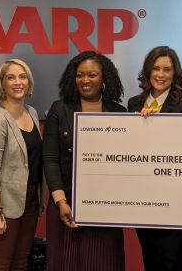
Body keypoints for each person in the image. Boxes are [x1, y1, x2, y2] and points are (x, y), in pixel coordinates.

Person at [43, 51, 126, 271]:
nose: (85, 80)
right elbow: (50, 159)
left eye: (92, 75)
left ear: (104, 78)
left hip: (107, 210)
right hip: (66, 206)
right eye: (80, 75)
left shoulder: (120, 113)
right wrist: (61, 202)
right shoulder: (59, 109)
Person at [128, 46, 182, 271]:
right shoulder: (134, 104)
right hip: (142, 197)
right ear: (148, 72)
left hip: (174, 198)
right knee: (150, 259)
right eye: (156, 68)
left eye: (167, 69)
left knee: (172, 262)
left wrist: (158, 122)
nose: (161, 74)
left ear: (175, 74)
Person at [0, 59, 45, 270]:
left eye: (22, 77)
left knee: (20, 263)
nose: (18, 82)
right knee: (2, 265)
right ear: (3, 84)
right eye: (11, 77)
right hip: (4, 204)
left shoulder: (32, 113)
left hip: (31, 200)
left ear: (29, 82)